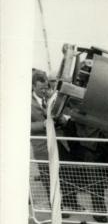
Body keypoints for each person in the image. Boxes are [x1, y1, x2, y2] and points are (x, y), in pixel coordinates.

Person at [30, 71, 81, 216]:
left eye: (46, 87)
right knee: (49, 178)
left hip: (60, 142)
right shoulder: (26, 103)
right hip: (42, 146)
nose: (45, 91)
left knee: (67, 174)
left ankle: (72, 203)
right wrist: (44, 124)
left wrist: (61, 118)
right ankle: (57, 209)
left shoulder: (52, 98)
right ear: (33, 87)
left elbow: (61, 117)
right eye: (41, 89)